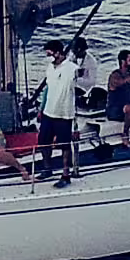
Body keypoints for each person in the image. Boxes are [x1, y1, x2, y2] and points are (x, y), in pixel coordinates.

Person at [39, 40, 77, 188]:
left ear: (58, 53)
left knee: (64, 145)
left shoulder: (71, 68)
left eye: (50, 54)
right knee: (43, 141)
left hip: (64, 113)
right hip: (49, 111)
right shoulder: (50, 68)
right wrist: (41, 108)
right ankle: (47, 168)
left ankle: (66, 174)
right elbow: (48, 88)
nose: (48, 57)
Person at [71, 36, 105, 111]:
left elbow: (92, 81)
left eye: (74, 50)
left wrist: (76, 80)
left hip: (84, 90)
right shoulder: (71, 58)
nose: (73, 52)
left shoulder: (91, 61)